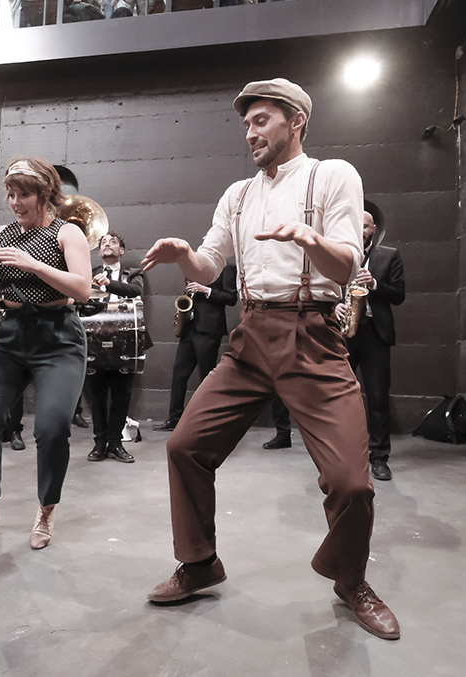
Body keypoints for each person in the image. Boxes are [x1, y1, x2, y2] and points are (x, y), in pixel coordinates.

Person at [141, 78, 400, 640]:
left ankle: (350, 579)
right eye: (247, 125)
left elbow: (348, 266)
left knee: (351, 482)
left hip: (314, 336)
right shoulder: (237, 194)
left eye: (261, 121)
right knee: (185, 446)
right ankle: (199, 562)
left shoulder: (333, 176)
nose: (250, 133)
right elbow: (211, 265)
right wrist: (186, 255)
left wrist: (309, 238)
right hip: (251, 338)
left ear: (295, 120)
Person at [0, 157, 92, 550]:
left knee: (51, 429)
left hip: (58, 337)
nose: (15, 202)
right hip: (12, 335)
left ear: (44, 194)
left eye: (24, 194)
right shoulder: (0, 233)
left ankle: (45, 512)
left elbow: (81, 289)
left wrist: (34, 264)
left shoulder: (68, 234)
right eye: (11, 194)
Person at [335, 210, 405, 480]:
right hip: (346, 334)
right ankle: (344, 454)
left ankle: (379, 458)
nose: (360, 230)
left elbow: (399, 294)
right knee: (340, 398)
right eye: (356, 225)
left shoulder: (389, 256)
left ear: (373, 229)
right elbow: (326, 289)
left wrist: (374, 283)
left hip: (375, 335)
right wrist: (335, 306)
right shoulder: (338, 256)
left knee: (377, 398)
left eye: (364, 226)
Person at [153, 265, 237, 432]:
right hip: (190, 327)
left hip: (209, 329)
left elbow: (231, 298)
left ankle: (208, 421)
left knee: (206, 376)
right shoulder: (197, 267)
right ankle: (174, 418)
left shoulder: (226, 268)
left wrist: (205, 290)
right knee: (179, 374)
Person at [84, 231, 145, 463]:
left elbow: (136, 291)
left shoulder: (134, 274)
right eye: (103, 243)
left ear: (121, 250)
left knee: (122, 395)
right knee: (96, 394)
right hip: (95, 341)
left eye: (113, 242)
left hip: (125, 342)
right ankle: (100, 443)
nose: (107, 244)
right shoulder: (89, 275)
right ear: (99, 252)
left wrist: (109, 283)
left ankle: (116, 443)